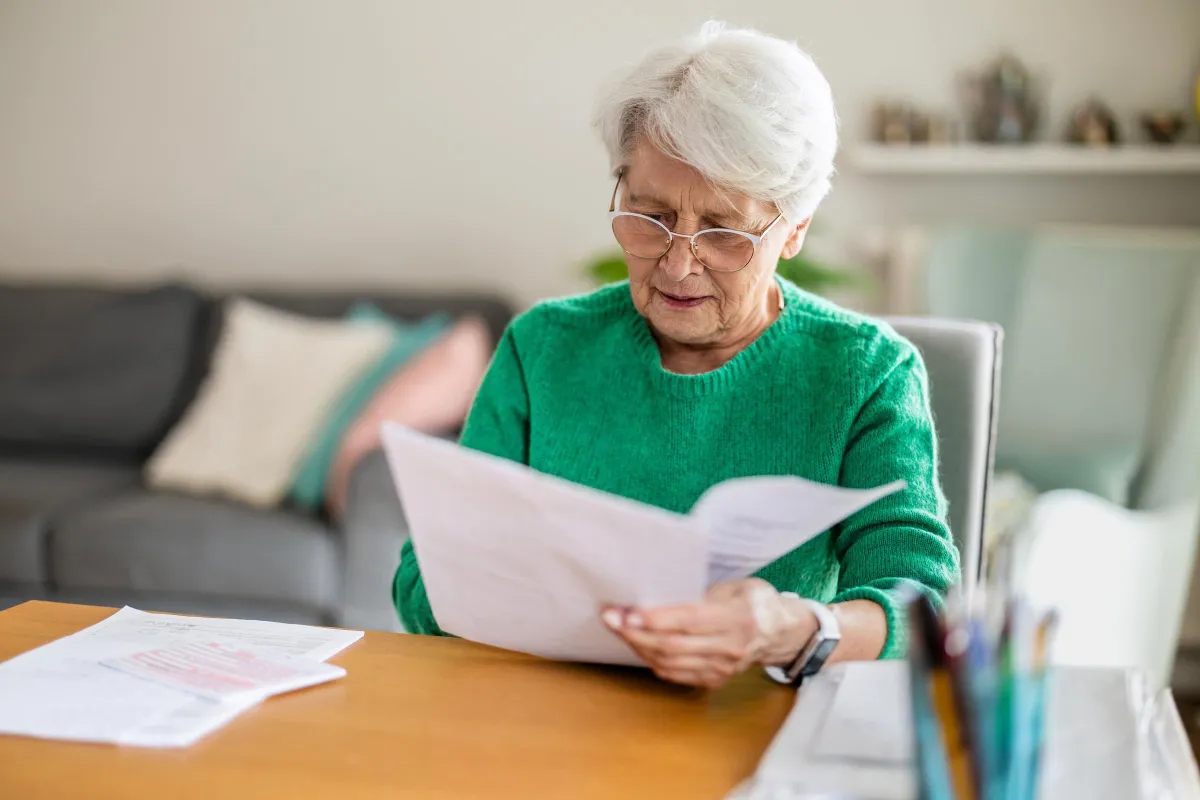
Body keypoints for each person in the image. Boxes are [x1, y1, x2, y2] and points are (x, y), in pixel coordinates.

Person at [393, 21, 958, 689]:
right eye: (649, 213)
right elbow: (421, 583)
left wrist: (789, 628)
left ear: (795, 228)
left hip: (755, 735)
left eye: (722, 230)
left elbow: (922, 600)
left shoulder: (866, 372)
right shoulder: (542, 348)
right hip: (549, 724)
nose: (678, 261)